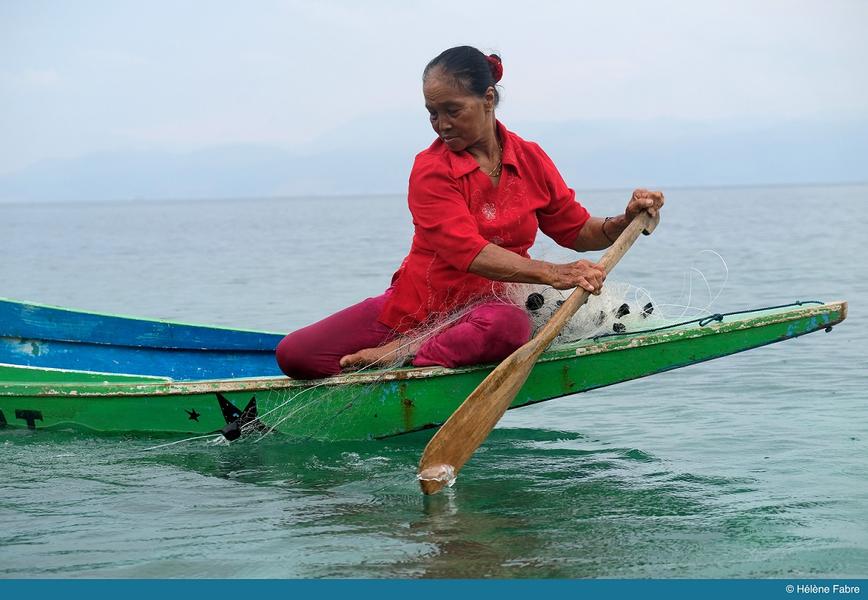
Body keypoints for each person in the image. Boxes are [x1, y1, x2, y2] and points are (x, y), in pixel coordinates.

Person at [276, 46, 663, 379]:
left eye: (452, 110)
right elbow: (467, 252)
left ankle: (405, 353)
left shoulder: (529, 158)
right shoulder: (430, 168)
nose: (442, 124)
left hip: (491, 309)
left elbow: (576, 230)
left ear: (489, 98)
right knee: (295, 355)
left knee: (509, 325)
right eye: (432, 113)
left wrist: (624, 220)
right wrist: (552, 273)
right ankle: (413, 343)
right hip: (419, 304)